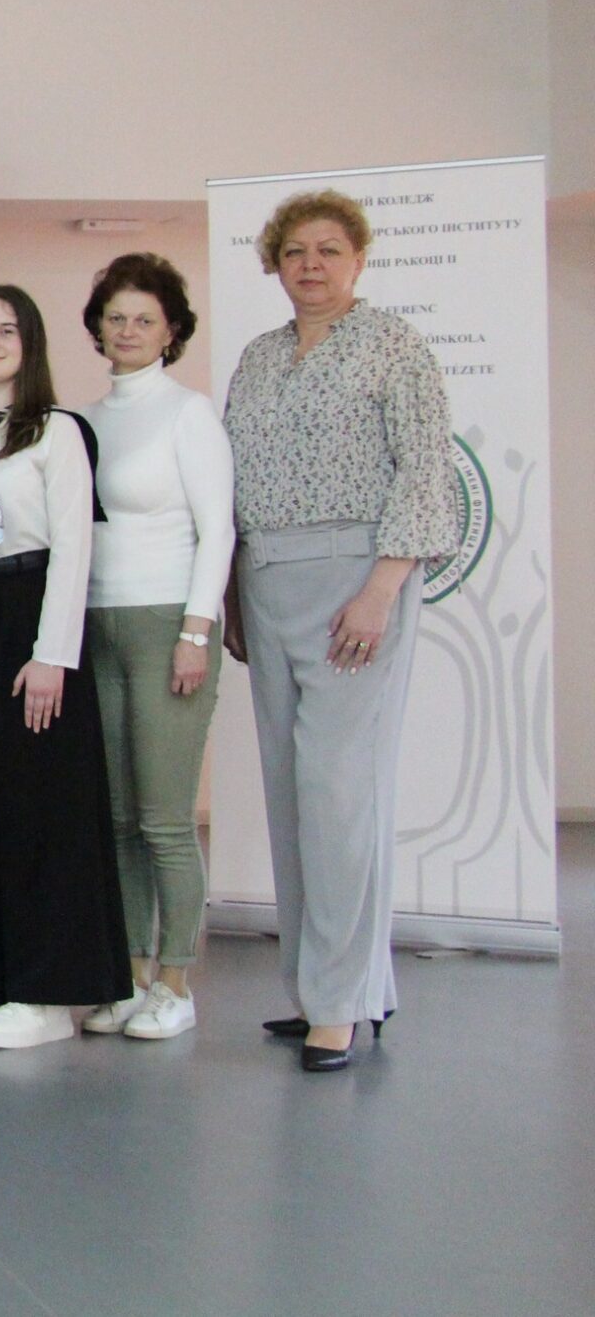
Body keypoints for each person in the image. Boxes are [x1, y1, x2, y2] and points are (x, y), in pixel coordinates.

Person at [223, 189, 453, 1072]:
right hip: (267, 578)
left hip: (357, 580)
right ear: (274, 264)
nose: (310, 264)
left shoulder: (394, 344)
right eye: (294, 251)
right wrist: (233, 593)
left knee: (339, 793)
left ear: (358, 258)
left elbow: (425, 471)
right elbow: (236, 481)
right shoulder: (258, 356)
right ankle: (336, 988)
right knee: (291, 791)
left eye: (327, 249)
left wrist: (382, 587)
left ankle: (340, 1003)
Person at [0, 286, 130, 1050]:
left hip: (31, 609)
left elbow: (74, 546)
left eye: (7, 329)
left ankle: (48, 995)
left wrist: (52, 655)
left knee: (42, 805)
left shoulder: (56, 431)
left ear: (30, 343)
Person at [76, 255, 233, 1043]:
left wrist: (195, 631)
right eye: (116, 317)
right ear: (98, 327)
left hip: (169, 625)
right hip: (95, 626)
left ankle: (176, 979)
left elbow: (218, 530)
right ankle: (133, 970)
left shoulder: (188, 412)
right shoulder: (83, 420)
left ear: (171, 331)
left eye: (145, 319)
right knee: (115, 820)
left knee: (165, 818)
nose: (129, 330)